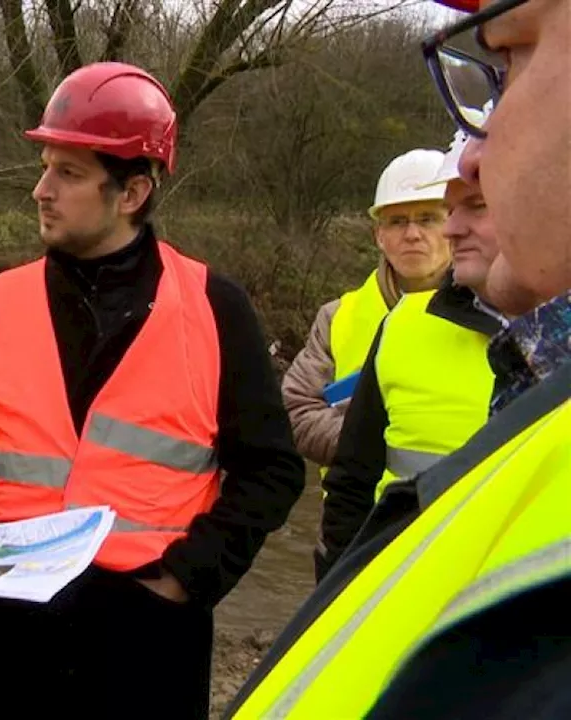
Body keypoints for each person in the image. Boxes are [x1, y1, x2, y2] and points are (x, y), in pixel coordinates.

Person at [0, 61, 305, 719]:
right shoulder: (4, 300)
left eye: (68, 174)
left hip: (150, 648)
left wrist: (188, 579)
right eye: (45, 166)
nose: (41, 190)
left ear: (131, 193)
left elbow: (270, 470)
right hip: (15, 649)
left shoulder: (216, 306)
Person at [226, 0, 571, 716]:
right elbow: (319, 439)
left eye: (509, 60)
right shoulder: (359, 318)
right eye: (404, 221)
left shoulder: (532, 342)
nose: (435, 229)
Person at [315, 117, 507, 581]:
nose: (448, 229)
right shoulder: (390, 322)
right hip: (397, 579)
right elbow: (350, 482)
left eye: (475, 207)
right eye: (398, 221)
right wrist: (336, 593)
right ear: (379, 234)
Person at [281, 150, 450, 469]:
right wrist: (368, 442)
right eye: (397, 222)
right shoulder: (338, 318)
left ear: (454, 226)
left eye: (428, 218)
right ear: (379, 236)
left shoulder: (494, 312)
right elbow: (298, 410)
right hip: (357, 515)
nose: (412, 234)